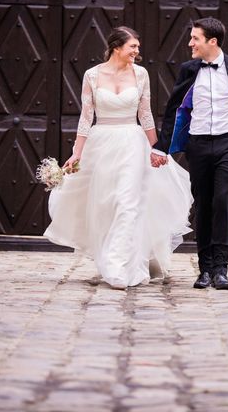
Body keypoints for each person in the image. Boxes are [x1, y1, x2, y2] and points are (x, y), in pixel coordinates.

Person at [44, 26, 192, 289]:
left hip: (132, 144)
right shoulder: (92, 75)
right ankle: (107, 258)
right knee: (106, 204)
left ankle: (120, 266)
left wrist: (157, 148)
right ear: (116, 47)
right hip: (100, 144)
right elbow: (86, 116)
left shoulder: (141, 74)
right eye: (133, 46)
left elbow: (145, 114)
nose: (137, 51)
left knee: (128, 202)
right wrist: (76, 152)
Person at [151, 17, 228, 290]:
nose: (190, 43)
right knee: (203, 204)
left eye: (195, 39)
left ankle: (221, 268)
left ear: (211, 42)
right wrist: (162, 146)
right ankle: (204, 269)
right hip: (198, 145)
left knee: (224, 199)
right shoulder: (188, 70)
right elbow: (174, 109)